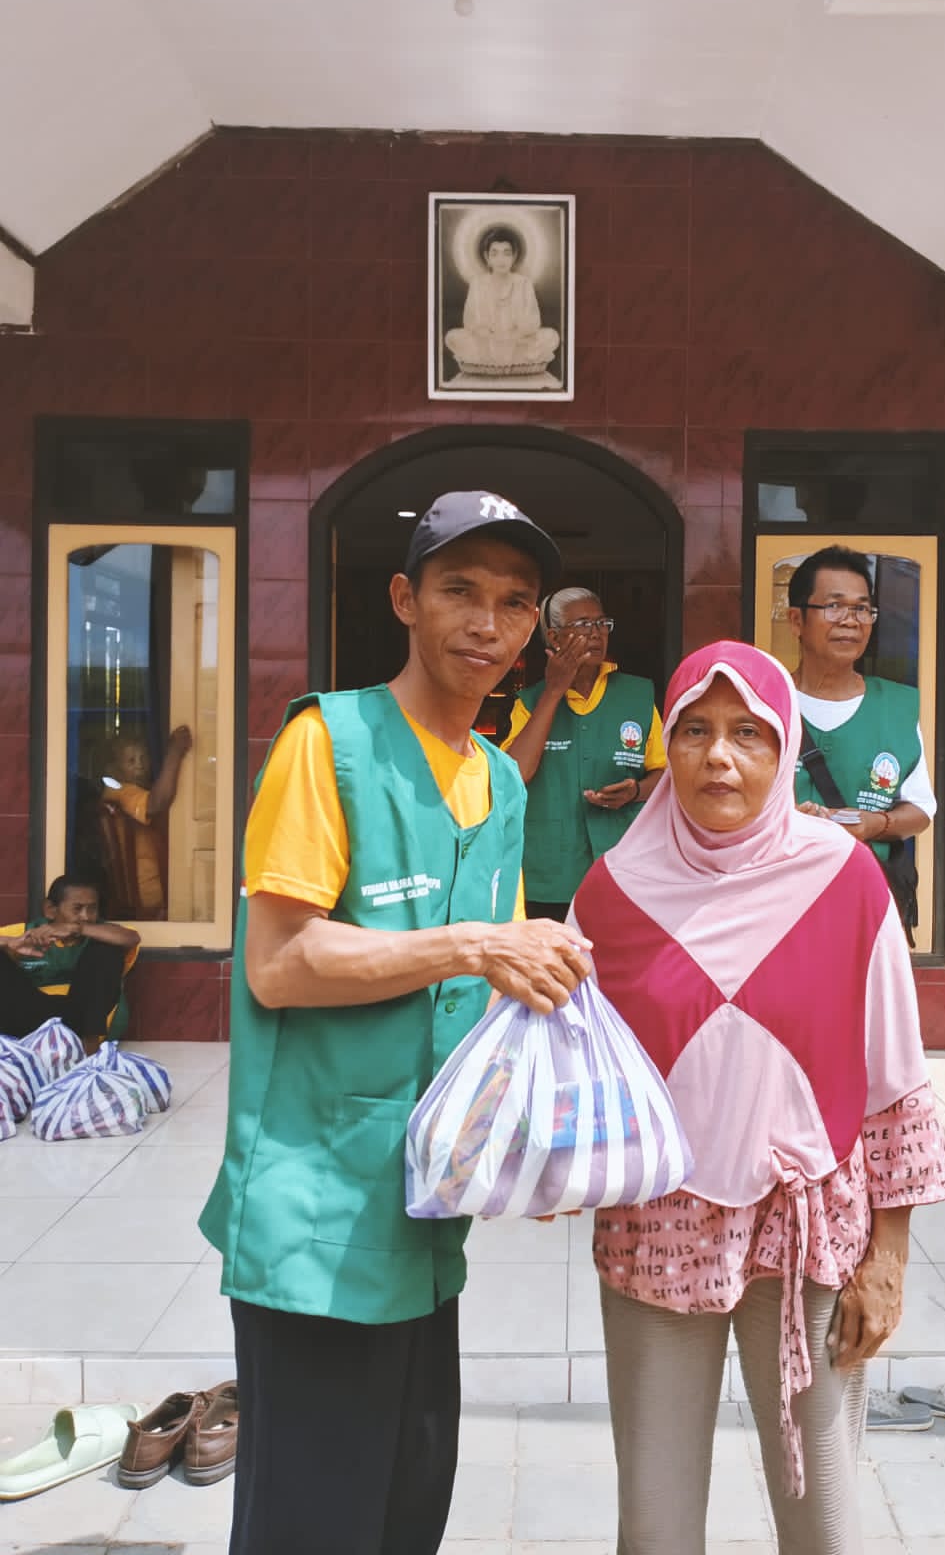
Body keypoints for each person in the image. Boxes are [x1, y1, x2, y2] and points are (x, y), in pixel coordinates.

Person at [198, 491, 593, 1555]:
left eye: (514, 603)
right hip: (318, 1216)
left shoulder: (497, 781)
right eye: (459, 590)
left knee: (404, 1511)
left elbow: (499, 993)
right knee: (312, 1525)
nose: (486, 624)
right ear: (404, 599)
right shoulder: (328, 743)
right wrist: (473, 943)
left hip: (424, 1218)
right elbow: (279, 964)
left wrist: (532, 1135)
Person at [571, 641, 945, 1555]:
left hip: (810, 1227)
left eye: (749, 733)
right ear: (666, 746)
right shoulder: (612, 893)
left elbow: (894, 1077)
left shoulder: (844, 879)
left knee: (822, 1521)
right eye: (695, 731)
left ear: (784, 751)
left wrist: (889, 1258)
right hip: (657, 1226)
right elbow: (575, 1069)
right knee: (655, 1526)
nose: (719, 756)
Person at [787, 546, 936, 942]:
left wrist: (874, 824)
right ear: (796, 620)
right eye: (834, 606)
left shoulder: (897, 707)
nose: (851, 621)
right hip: (778, 903)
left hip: (864, 910)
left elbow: (921, 809)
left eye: (862, 609)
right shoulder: (763, 702)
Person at [502, 586, 666, 921]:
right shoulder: (529, 703)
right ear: (554, 637)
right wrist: (554, 691)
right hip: (548, 878)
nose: (596, 633)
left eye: (602, 624)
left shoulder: (637, 696)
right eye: (583, 625)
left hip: (622, 869)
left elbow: (665, 775)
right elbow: (514, 775)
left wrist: (635, 790)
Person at [0, 877, 140, 1043]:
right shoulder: (28, 931)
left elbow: (131, 938)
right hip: (33, 1019)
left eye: (92, 909)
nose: (86, 916)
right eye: (77, 909)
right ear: (50, 910)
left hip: (85, 1021)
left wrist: (76, 928)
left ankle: (89, 1051)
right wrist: (9, 942)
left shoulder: (105, 932)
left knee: (107, 948)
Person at [98, 724, 193, 919]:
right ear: (114, 769)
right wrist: (175, 753)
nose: (140, 765)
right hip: (149, 892)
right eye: (131, 761)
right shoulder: (120, 791)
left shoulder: (133, 790)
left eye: (143, 758)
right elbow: (156, 803)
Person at [445, 226, 560, 379]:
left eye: (506, 253)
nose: (501, 259)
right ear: (487, 257)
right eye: (495, 253)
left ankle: (491, 365)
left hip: (518, 342)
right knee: (452, 337)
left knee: (551, 336)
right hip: (486, 343)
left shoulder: (524, 283)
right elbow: (470, 321)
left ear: (514, 256)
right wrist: (486, 332)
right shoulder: (477, 284)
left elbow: (534, 321)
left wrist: (517, 332)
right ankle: (514, 365)